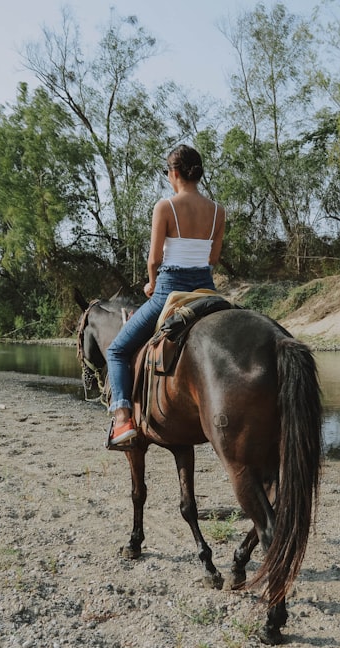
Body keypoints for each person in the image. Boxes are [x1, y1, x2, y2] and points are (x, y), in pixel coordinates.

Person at [104, 145, 226, 450]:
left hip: (169, 289)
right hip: (206, 289)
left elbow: (154, 259)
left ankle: (122, 420)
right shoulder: (217, 211)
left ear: (173, 173)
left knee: (118, 350)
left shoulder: (165, 207)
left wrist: (152, 283)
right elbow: (212, 258)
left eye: (167, 173)